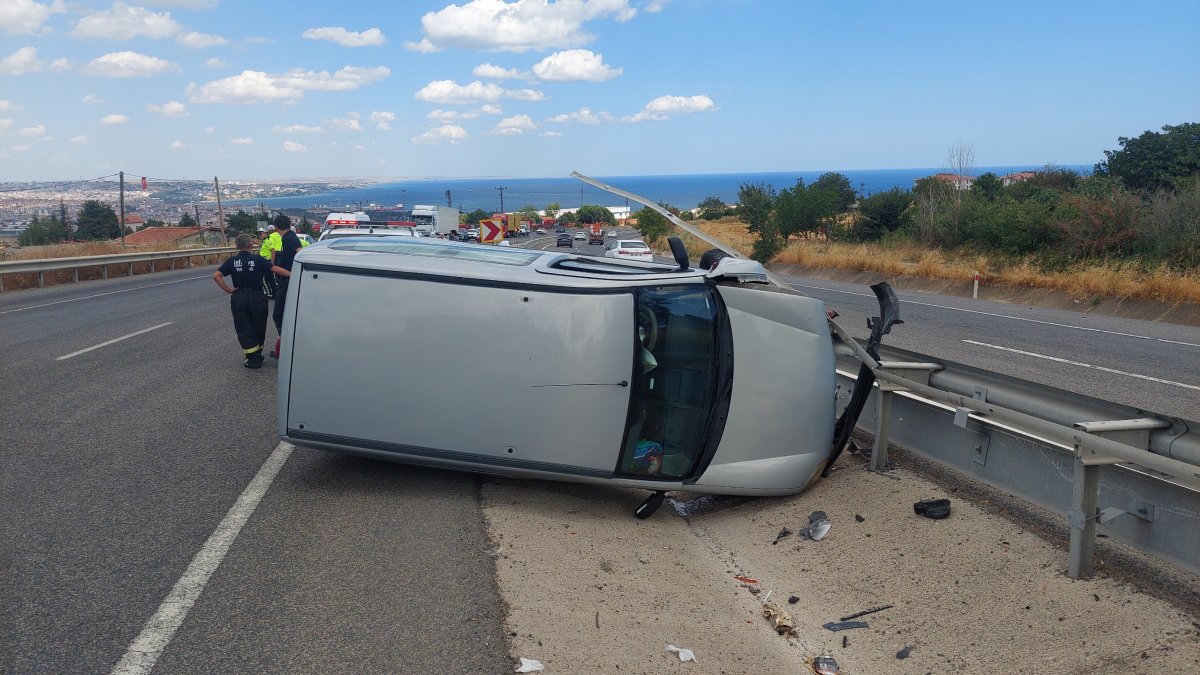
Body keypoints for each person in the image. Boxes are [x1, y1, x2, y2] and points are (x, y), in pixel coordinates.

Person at [212, 233, 287, 368]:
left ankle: (253, 358)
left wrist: (228, 289)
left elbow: (216, 275)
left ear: (236, 246)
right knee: (259, 326)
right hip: (257, 297)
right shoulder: (258, 259)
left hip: (239, 297)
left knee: (244, 327)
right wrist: (294, 274)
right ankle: (256, 355)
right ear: (251, 245)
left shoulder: (232, 261)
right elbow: (275, 269)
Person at [270, 218, 304, 358]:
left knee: (278, 314)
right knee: (283, 314)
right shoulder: (289, 238)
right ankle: (284, 346)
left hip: (288, 280)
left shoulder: (290, 238)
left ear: (276, 227)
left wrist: (293, 274)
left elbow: (300, 252)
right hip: (287, 280)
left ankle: (286, 345)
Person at [259, 224, 281, 299]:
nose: (259, 235)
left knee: (265, 279)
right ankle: (274, 294)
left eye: (260, 233)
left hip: (267, 261)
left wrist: (272, 261)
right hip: (266, 261)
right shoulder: (266, 240)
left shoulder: (268, 240)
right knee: (270, 278)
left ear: (265, 233)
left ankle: (270, 293)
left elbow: (273, 251)